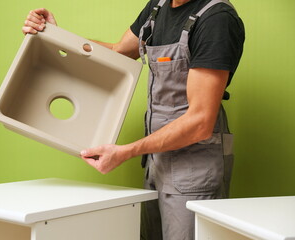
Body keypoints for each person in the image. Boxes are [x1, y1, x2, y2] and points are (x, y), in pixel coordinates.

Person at [23, 0, 244, 239]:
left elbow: (200, 122)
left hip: (193, 172)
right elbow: (118, 51)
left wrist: (127, 151)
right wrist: (56, 35)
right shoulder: (158, 6)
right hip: (156, 162)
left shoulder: (216, 19)